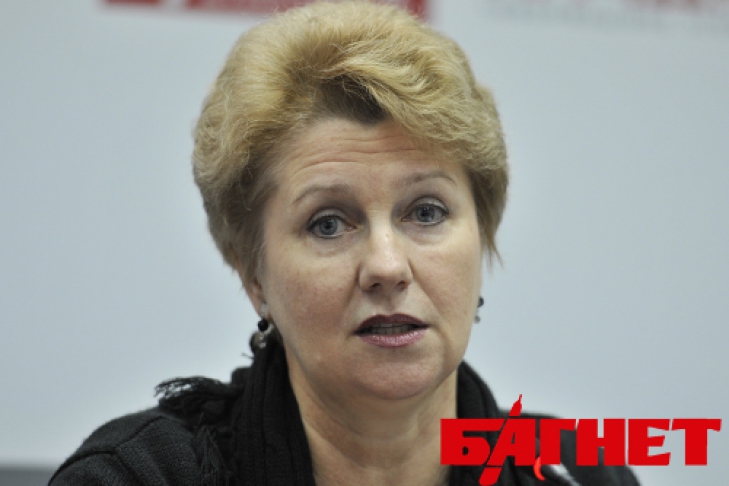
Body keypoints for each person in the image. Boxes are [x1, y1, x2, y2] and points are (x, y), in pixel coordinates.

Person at [50, 2, 640, 485]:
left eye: (426, 212)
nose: (387, 266)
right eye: (328, 224)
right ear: (253, 274)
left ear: (481, 234)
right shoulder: (138, 477)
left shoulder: (580, 472)